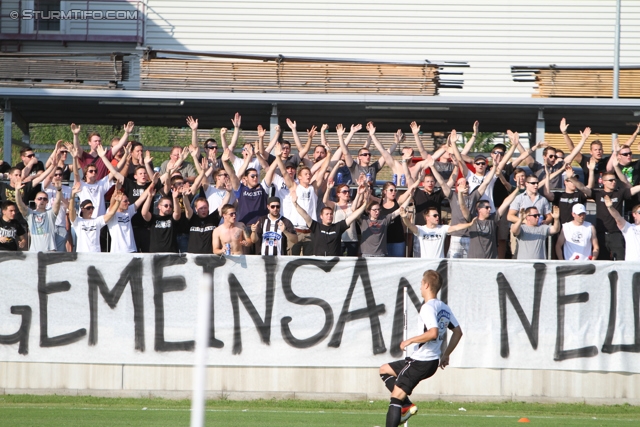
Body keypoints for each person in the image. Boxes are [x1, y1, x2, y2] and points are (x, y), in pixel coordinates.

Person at [379, 269, 463, 427]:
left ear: (426, 285)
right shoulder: (444, 307)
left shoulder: (428, 307)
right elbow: (458, 332)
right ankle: (406, 405)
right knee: (384, 370)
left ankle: (403, 405)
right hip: (430, 361)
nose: (419, 287)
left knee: (396, 397)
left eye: (421, 284)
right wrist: (446, 355)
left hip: (421, 361)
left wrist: (409, 341)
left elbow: (433, 333)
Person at [568, 170, 640, 260]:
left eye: (614, 180)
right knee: (602, 261)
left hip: (616, 233)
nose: (614, 182)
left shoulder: (620, 193)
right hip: (601, 234)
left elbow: (634, 189)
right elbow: (583, 188)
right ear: (603, 182)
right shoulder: (598, 194)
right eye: (611, 180)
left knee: (620, 261)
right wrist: (571, 178)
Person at [291, 185, 369, 257]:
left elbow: (352, 216)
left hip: (334, 263)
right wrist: (295, 204)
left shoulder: (338, 227)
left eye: (331, 214)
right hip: (320, 263)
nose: (329, 216)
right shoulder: (316, 226)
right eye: (327, 214)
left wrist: (365, 204)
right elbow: (305, 215)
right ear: (321, 216)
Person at [400, 206, 479, 259]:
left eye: (438, 215)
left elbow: (456, 227)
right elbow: (410, 225)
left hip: (440, 264)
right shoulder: (421, 229)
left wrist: (470, 224)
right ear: (427, 217)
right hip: (425, 264)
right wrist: (404, 217)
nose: (437, 217)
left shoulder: (442, 228)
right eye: (434, 215)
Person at [69, 182, 119, 253]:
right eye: (88, 208)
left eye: (92, 208)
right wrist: (73, 195)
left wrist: (118, 202)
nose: (91, 210)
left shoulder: (97, 221)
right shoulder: (78, 221)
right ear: (82, 209)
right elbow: (71, 210)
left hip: (96, 255)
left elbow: (111, 213)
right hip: (81, 255)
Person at [14, 179, 62, 252]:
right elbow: (20, 205)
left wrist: (59, 190)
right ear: (35, 200)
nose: (42, 200)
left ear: (47, 202)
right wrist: (17, 191)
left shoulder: (50, 214)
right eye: (39, 198)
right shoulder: (30, 213)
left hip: (50, 251)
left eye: (44, 199)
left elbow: (57, 203)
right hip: (34, 251)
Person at [107, 187, 152, 253]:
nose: (128, 202)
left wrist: (153, 184)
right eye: (125, 201)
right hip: (118, 251)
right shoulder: (111, 214)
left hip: (132, 250)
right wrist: (116, 190)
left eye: (128, 200)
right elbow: (111, 205)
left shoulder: (128, 211)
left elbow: (141, 198)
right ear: (118, 202)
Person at [141, 186, 182, 253]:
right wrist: (150, 197)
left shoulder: (172, 218)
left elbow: (177, 213)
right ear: (159, 206)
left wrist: (175, 198)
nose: (168, 207)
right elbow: (144, 213)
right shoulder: (153, 218)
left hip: (171, 254)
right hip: (155, 253)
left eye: (170, 206)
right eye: (166, 206)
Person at [604, 195, 640, 261]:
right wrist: (610, 207)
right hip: (632, 264)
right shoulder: (629, 227)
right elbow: (618, 218)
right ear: (634, 214)